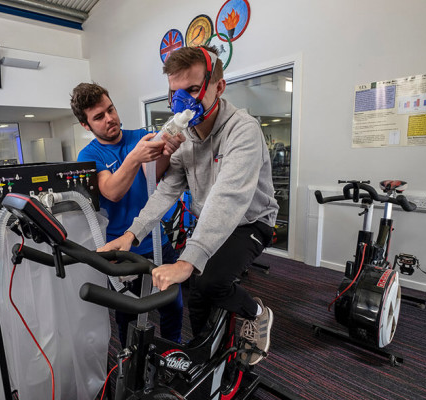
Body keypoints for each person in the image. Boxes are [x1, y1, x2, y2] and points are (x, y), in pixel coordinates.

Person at [100, 46, 279, 365]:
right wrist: (132, 234)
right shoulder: (186, 138)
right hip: (211, 220)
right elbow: (166, 189)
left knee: (210, 280)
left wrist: (186, 262)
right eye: (175, 93)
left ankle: (258, 313)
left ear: (218, 87)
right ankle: (206, 353)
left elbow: (228, 197)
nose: (182, 102)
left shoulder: (243, 129)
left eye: (193, 90)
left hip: (250, 222)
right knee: (196, 289)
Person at [70, 83, 185, 347]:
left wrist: (171, 147)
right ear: (85, 125)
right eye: (99, 117)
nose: (109, 118)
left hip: (157, 241)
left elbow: (154, 178)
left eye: (110, 109)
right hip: (121, 252)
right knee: (129, 316)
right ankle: (131, 364)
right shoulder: (89, 155)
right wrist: (134, 158)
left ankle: (174, 353)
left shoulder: (141, 136)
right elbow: (112, 192)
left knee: (173, 307)